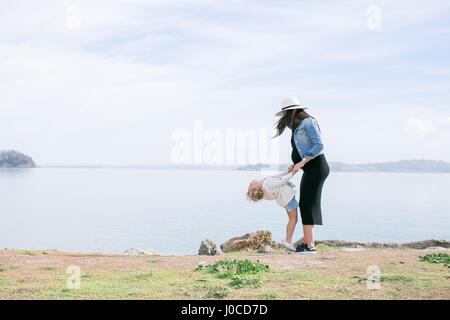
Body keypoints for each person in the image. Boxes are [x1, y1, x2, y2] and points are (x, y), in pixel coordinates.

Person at [274, 97, 330, 254]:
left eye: (285, 113)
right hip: (310, 168)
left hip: (317, 167)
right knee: (306, 204)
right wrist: (296, 163)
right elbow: (301, 150)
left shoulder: (307, 123)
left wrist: (302, 162)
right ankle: (308, 243)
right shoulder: (297, 127)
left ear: (292, 112)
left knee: (308, 204)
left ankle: (309, 245)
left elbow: (319, 145)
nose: (285, 118)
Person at [247, 170, 299, 251]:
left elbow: (278, 175)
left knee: (293, 220)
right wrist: (293, 173)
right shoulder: (267, 185)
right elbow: (281, 182)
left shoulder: (265, 182)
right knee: (293, 220)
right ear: (257, 187)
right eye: (250, 185)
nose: (250, 183)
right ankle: (287, 241)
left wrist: (288, 171)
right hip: (289, 200)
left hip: (287, 200)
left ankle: (288, 241)